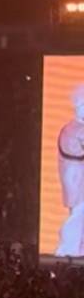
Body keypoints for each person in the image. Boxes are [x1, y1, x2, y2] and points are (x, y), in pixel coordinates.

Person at [56, 85, 84, 256]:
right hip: (76, 178)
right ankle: (69, 246)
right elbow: (74, 151)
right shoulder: (71, 129)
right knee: (78, 211)